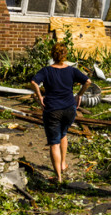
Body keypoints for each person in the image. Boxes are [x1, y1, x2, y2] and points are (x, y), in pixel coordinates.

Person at [31, 42, 92, 183]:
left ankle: (58, 177)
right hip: (69, 109)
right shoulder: (71, 70)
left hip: (52, 110)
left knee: (54, 143)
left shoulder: (46, 71)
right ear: (65, 55)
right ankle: (63, 163)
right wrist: (79, 95)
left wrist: (40, 97)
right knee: (63, 133)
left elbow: (34, 82)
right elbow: (87, 81)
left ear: (52, 55)